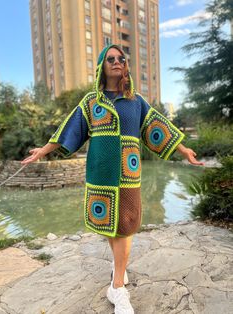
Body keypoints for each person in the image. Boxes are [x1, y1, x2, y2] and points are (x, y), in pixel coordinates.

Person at [22, 44, 204, 314]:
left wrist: (183, 149)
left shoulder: (136, 101)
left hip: (129, 176)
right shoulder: (91, 102)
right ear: (102, 66)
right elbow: (69, 131)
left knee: (126, 225)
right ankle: (119, 271)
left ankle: (117, 287)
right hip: (101, 174)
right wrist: (43, 151)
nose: (117, 61)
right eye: (111, 59)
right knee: (111, 225)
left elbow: (159, 127)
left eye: (121, 58)